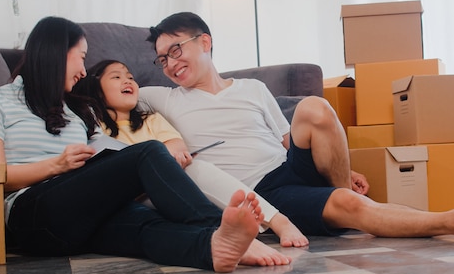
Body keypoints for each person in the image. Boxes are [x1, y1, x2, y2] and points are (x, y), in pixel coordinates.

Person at [139, 11, 454, 243]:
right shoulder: (164, 99)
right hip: (262, 191)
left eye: (175, 50)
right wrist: (166, 140)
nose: (169, 64)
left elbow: (287, 141)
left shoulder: (253, 89)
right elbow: (114, 92)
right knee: (348, 202)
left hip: (287, 167)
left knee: (315, 106)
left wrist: (342, 167)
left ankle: (344, 192)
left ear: (204, 42)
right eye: (161, 59)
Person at [0, 16, 291, 273]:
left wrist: (159, 171)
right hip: (30, 213)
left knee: (147, 225)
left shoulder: (77, 110)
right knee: (148, 151)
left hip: (79, 219)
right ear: (54, 53)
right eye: (80, 58)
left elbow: (110, 153)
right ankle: (217, 227)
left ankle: (213, 248)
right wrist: (57, 165)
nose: (83, 70)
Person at [71, 59, 308, 247]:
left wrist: (175, 156)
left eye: (130, 77)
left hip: (159, 189)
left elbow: (175, 145)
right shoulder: (90, 121)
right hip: (121, 194)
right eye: (117, 76)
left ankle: (276, 220)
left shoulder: (150, 120)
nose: (128, 81)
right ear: (95, 88)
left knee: (196, 168)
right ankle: (228, 230)